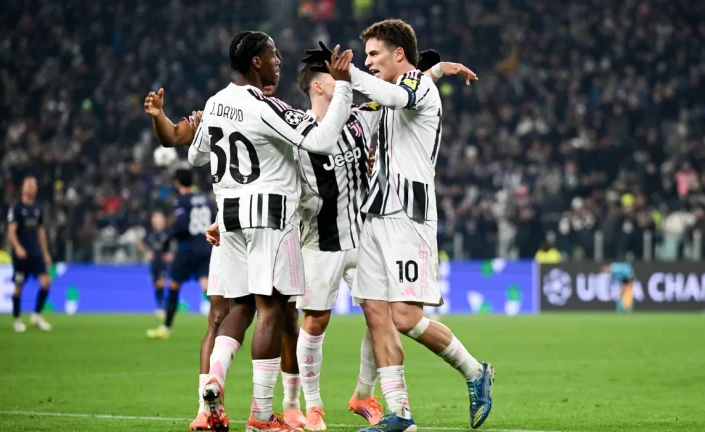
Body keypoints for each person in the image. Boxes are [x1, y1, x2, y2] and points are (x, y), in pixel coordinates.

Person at [316, 19, 494, 431]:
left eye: (374, 54)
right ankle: (400, 414)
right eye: (364, 56)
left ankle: (475, 370)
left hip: (408, 216)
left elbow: (399, 92)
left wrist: (350, 74)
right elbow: (371, 105)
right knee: (375, 313)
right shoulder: (396, 91)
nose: (368, 61)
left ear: (399, 54)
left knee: (406, 318)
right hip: (375, 214)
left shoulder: (415, 87)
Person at [187, 31, 354, 432]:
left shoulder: (215, 103)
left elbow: (195, 155)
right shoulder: (265, 107)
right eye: (273, 54)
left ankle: (215, 380)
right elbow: (322, 139)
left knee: (239, 307)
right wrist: (345, 87)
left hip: (230, 217)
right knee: (272, 309)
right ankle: (262, 415)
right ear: (256, 62)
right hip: (270, 215)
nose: (279, 60)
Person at [146, 169, 215, 339]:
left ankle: (166, 328)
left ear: (177, 182)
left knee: (174, 285)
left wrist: (168, 240)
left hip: (187, 249)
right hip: (206, 247)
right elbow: (214, 219)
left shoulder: (182, 201)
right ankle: (227, 328)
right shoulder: (206, 200)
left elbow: (182, 226)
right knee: (207, 287)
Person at [7, 175, 53, 333]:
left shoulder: (38, 208)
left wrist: (45, 252)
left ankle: (37, 315)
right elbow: (11, 231)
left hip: (36, 254)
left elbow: (41, 232)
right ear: (22, 188)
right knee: (18, 288)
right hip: (21, 256)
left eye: (34, 185)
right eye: (29, 185)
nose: (31, 188)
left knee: (46, 282)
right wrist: (18, 247)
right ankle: (17, 319)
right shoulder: (16, 208)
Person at [138, 211, 170, 319]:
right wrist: (146, 252)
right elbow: (141, 243)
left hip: (164, 263)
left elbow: (176, 243)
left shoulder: (167, 232)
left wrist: (171, 254)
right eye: (155, 218)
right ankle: (160, 306)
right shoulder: (150, 233)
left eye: (159, 218)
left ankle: (163, 307)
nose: (157, 220)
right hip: (154, 262)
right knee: (156, 284)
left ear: (163, 220)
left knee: (161, 283)